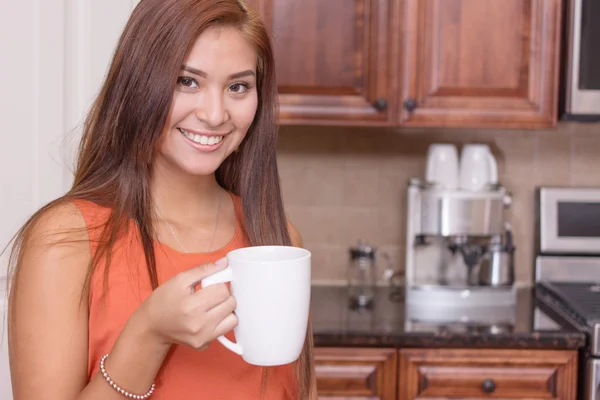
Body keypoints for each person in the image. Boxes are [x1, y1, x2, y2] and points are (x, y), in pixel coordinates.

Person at [7, 0, 317, 399]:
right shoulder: (64, 240)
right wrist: (149, 334)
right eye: (187, 81)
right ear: (138, 86)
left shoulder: (277, 241)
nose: (215, 113)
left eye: (238, 86)